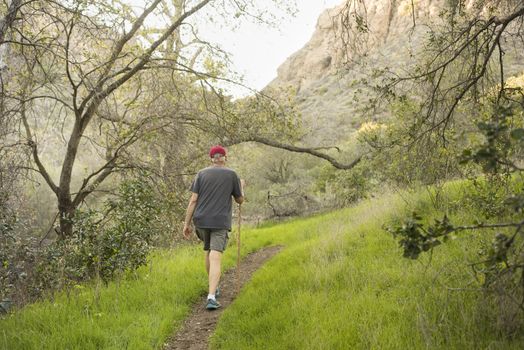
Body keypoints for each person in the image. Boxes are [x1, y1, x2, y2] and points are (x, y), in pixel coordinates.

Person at [182, 145, 244, 310]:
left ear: (211, 158)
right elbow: (239, 200)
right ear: (224, 158)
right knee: (216, 257)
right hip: (219, 221)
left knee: (208, 251)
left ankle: (213, 287)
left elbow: (193, 200)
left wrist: (186, 223)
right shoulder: (232, 175)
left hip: (200, 220)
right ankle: (211, 296)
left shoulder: (201, 174)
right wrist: (241, 186)